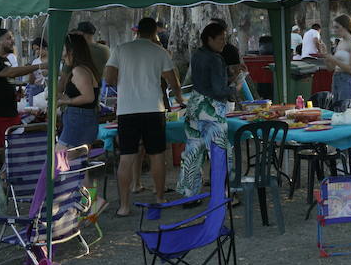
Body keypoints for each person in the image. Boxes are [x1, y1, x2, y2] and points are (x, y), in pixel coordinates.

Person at [105, 17, 183, 215]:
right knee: (157, 155)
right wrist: (180, 97)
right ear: (154, 32)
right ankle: (159, 197)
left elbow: (109, 77)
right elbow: (173, 80)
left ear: (137, 31)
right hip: (153, 108)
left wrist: (124, 84)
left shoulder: (121, 49)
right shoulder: (159, 51)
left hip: (127, 110)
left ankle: (124, 206)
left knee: (126, 157)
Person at [180, 21, 238, 196]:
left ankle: (189, 194)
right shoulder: (215, 58)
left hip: (194, 104)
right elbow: (219, 90)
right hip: (211, 109)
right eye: (220, 39)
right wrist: (234, 89)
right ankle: (225, 193)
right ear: (209, 39)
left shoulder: (197, 54)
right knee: (220, 152)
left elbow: (207, 83)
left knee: (193, 151)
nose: (224, 43)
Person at [0, 29, 47, 148]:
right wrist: (39, 66)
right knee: (0, 150)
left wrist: (15, 90)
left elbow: (7, 78)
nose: (12, 41)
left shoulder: (5, 60)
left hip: (11, 113)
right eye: (8, 38)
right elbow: (11, 72)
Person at [56, 32, 102, 149]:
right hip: (83, 118)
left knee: (59, 158)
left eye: (63, 50)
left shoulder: (79, 70)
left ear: (71, 51)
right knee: (75, 162)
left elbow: (88, 97)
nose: (63, 55)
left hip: (79, 119)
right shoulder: (83, 68)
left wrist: (67, 101)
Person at [323, 14, 351, 114]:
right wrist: (324, 55)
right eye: (334, 27)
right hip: (336, 79)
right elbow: (331, 68)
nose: (334, 30)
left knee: (344, 113)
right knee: (336, 113)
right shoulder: (340, 43)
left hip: (347, 81)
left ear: (345, 27)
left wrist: (333, 59)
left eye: (337, 27)